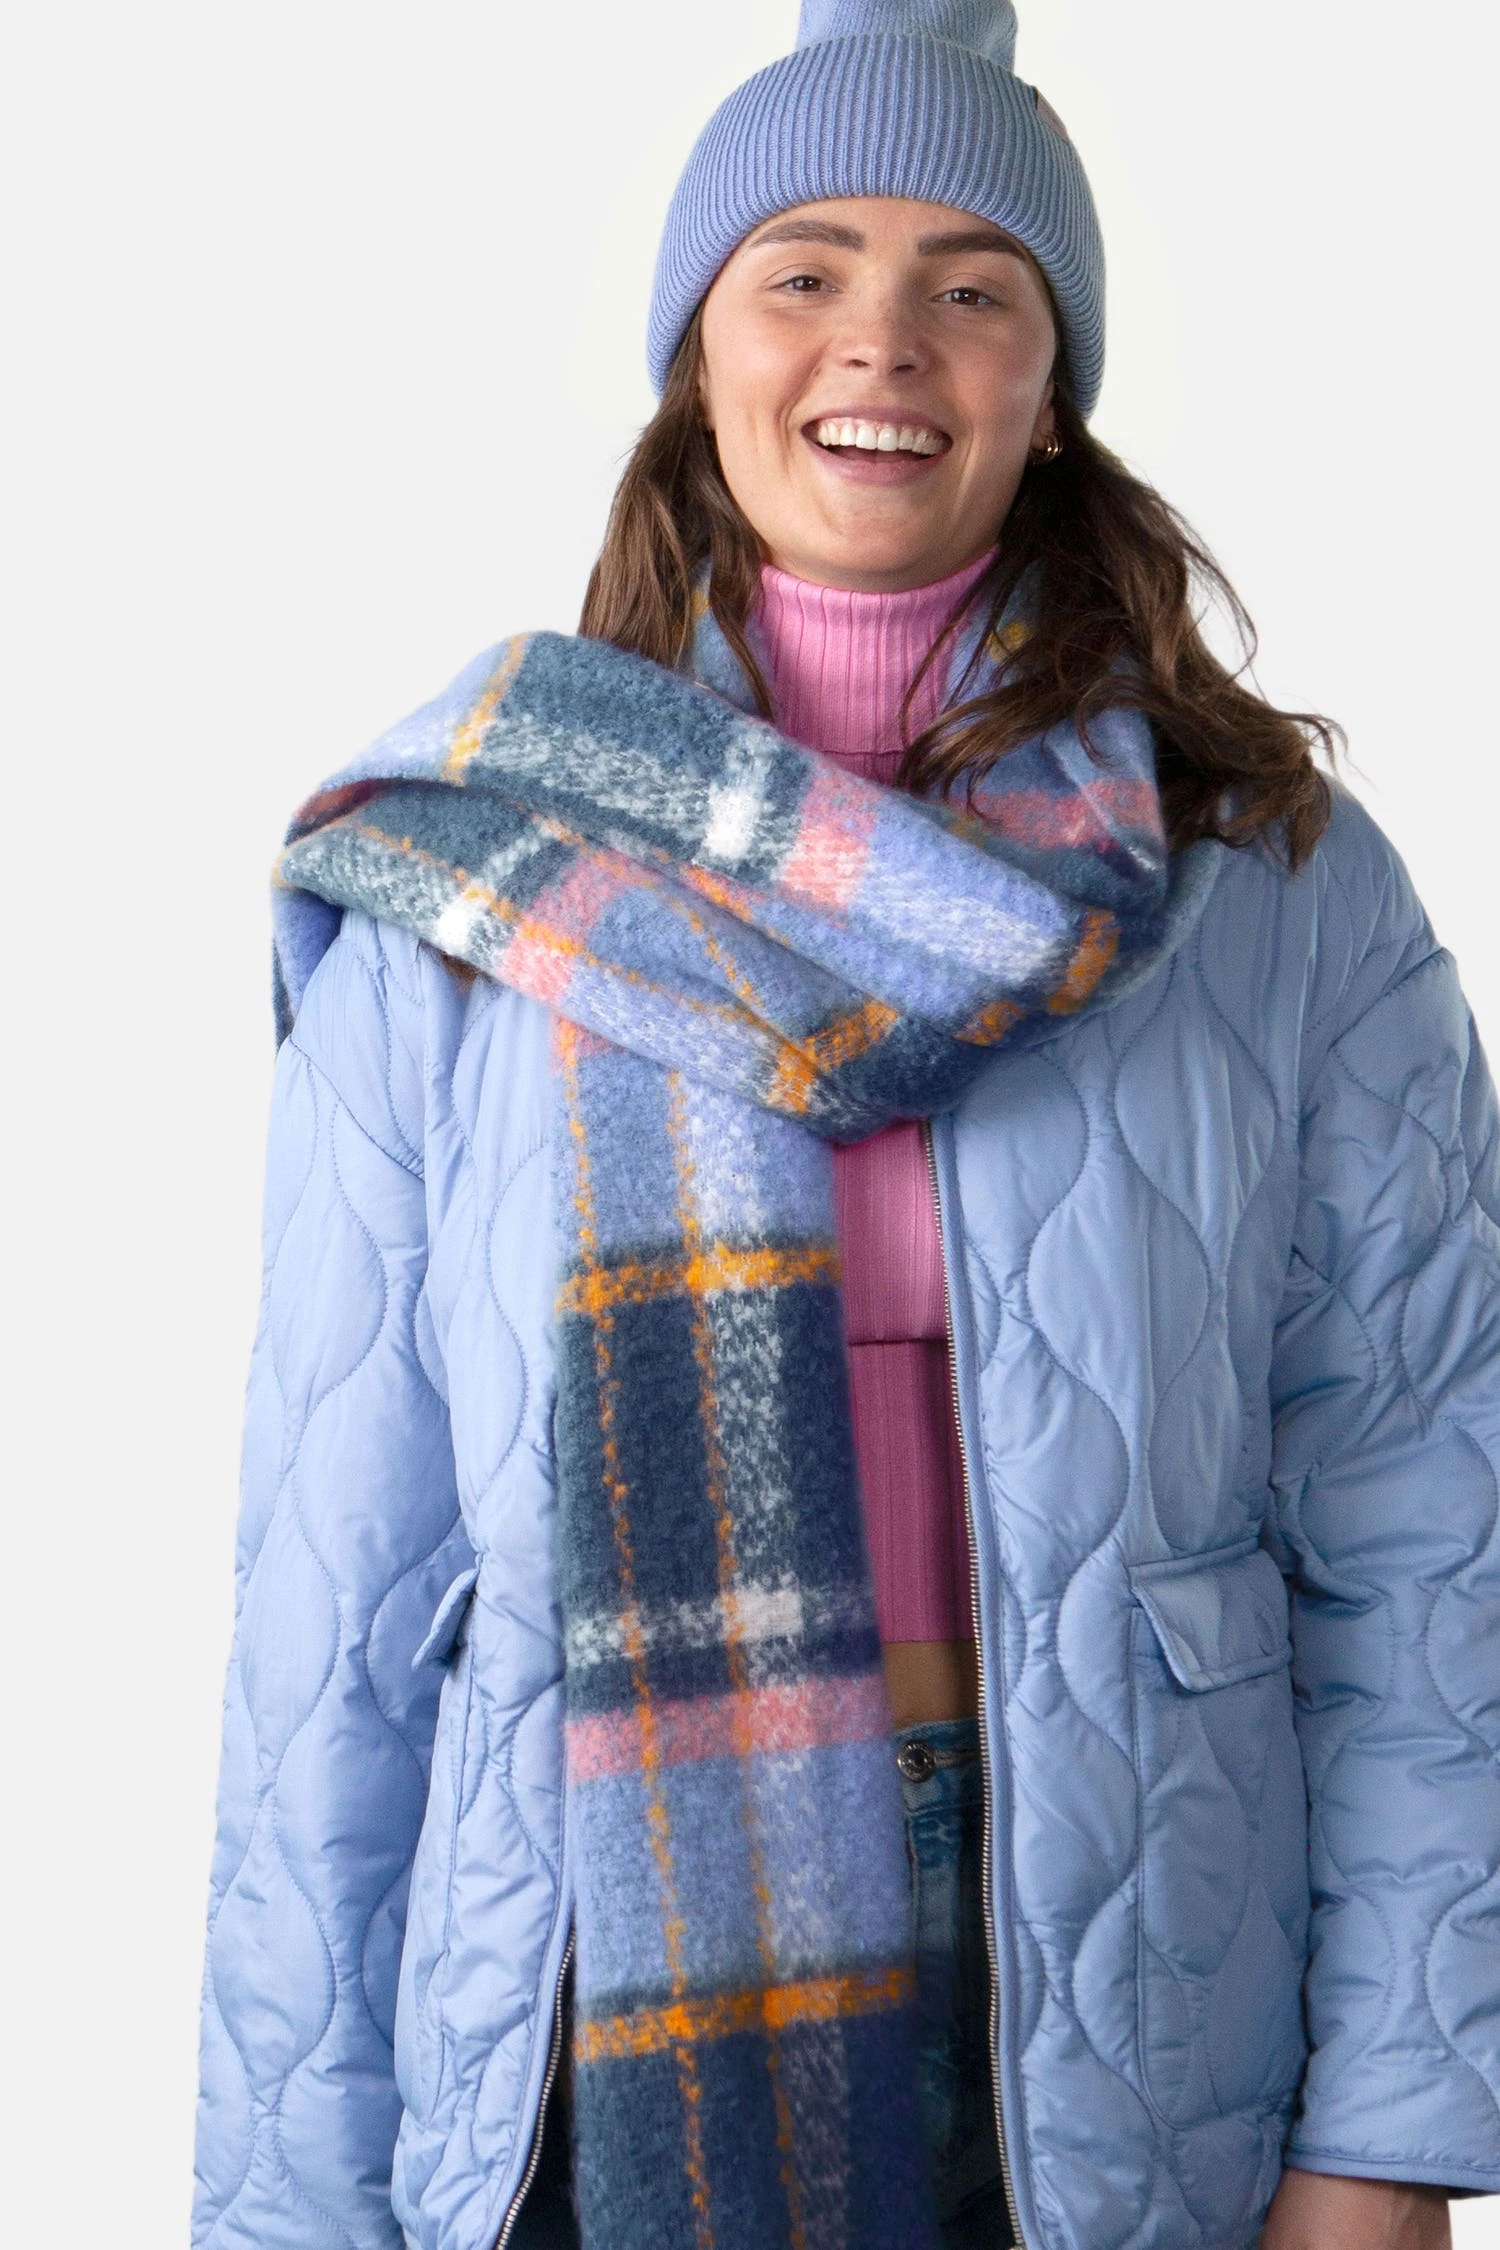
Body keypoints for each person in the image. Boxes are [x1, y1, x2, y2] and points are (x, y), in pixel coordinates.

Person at [192, 5, 1500, 2246]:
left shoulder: (1270, 882)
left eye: (971, 285)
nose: (881, 339)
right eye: (802, 269)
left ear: (1049, 384)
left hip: (1132, 1992)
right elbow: (338, 1597)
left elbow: (1431, 1536)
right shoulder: (465, 881)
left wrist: (1389, 2138)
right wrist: (285, 2207)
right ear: (699, 355)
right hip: (590, 1960)